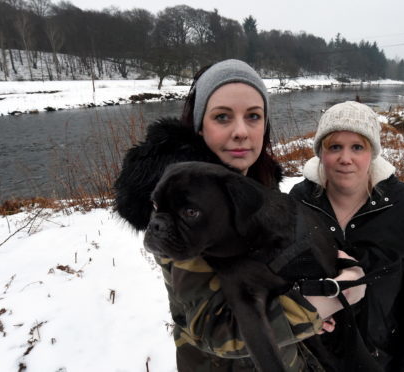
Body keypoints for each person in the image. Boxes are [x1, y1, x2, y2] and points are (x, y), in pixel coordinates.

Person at [114, 60, 365, 371]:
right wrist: (323, 301)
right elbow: (216, 332)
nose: (241, 132)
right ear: (199, 124)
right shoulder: (185, 206)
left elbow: (270, 275)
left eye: (253, 116)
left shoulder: (250, 187)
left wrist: (309, 306)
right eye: (222, 117)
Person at [289, 101, 404, 372]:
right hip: (311, 359)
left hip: (381, 359)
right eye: (334, 146)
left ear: (372, 152)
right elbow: (285, 275)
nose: (345, 158)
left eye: (357, 147)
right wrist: (304, 314)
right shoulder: (300, 201)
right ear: (321, 152)